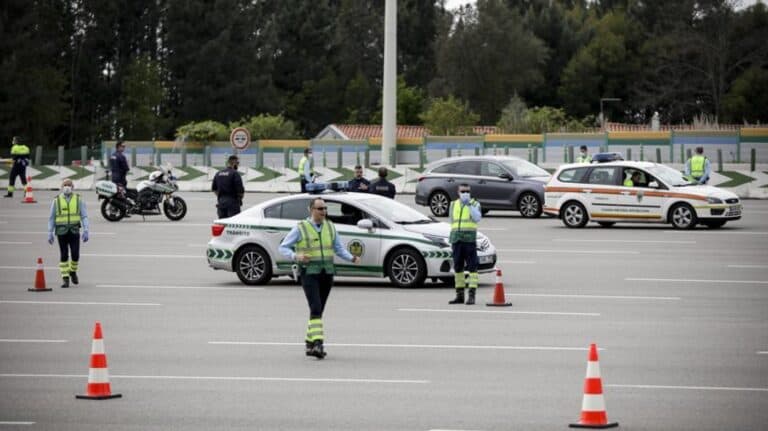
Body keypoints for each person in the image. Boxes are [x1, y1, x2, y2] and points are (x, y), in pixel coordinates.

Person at [279, 197, 361, 359]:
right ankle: (318, 343)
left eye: (325, 208)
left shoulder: (330, 227)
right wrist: (297, 256)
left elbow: (338, 248)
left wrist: (351, 258)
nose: (324, 211)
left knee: (318, 310)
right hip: (309, 274)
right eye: (320, 209)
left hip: (327, 273)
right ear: (311, 210)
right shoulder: (301, 228)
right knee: (316, 307)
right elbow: (283, 247)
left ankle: (309, 343)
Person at [47, 179, 89, 288]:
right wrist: (50, 232)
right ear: (62, 186)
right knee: (64, 254)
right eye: (65, 185)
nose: (67, 187)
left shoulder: (78, 199)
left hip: (74, 230)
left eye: (69, 185)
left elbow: (84, 216)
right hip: (61, 231)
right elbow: (51, 218)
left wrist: (86, 229)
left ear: (72, 187)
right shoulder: (56, 200)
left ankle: (73, 272)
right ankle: (65, 278)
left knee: (75, 255)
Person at [448, 184, 482, 305]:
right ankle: (459, 295)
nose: (465, 193)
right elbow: (451, 221)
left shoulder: (475, 204)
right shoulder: (453, 204)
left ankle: (472, 295)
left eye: (467, 191)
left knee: (472, 267)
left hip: (469, 239)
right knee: (458, 268)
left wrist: (469, 205)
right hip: (456, 239)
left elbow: (477, 218)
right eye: (463, 191)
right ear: (458, 192)